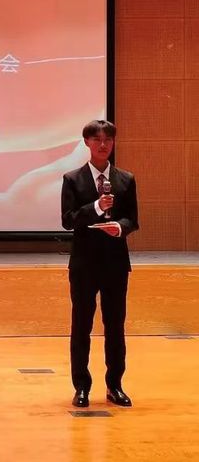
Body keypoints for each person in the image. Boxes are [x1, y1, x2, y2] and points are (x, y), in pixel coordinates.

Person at [61, 120, 138, 408]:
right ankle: (81, 386)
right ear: (87, 142)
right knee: (81, 325)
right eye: (97, 139)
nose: (103, 144)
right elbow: (68, 220)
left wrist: (120, 227)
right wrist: (96, 207)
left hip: (115, 263)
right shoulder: (73, 179)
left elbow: (133, 219)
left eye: (108, 139)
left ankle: (114, 385)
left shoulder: (126, 179)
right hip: (84, 263)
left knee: (115, 325)